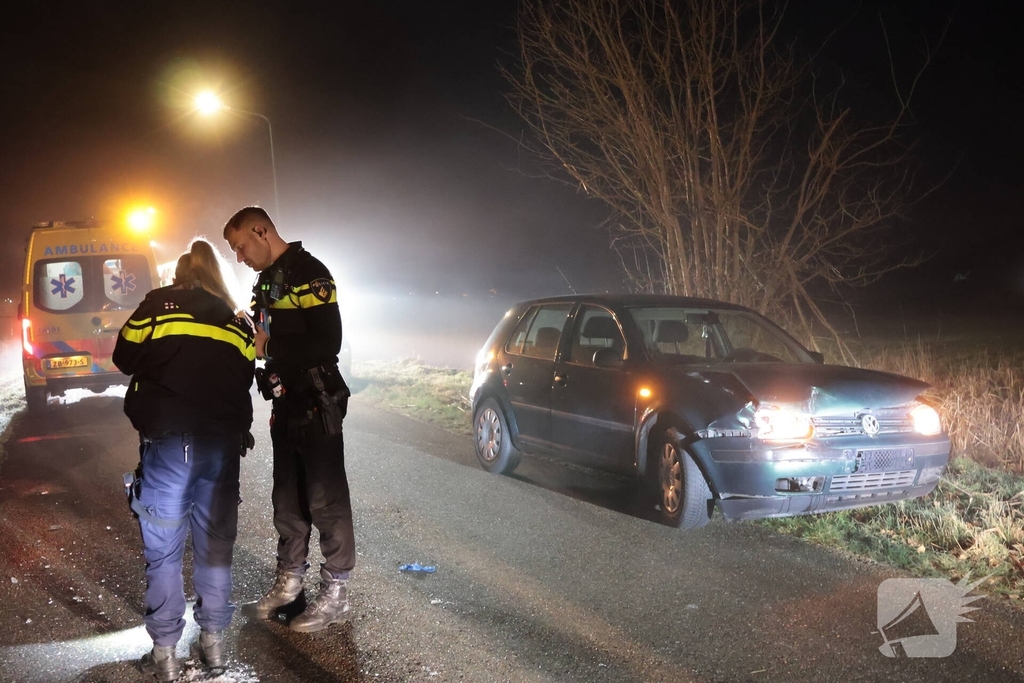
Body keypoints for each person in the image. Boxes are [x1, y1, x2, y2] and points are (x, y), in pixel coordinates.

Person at [113, 238, 255, 682]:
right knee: (215, 551)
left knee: (164, 554)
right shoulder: (238, 320)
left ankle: (166, 656)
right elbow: (244, 377)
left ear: (178, 275)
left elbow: (123, 357)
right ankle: (213, 647)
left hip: (171, 447)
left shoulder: (158, 306)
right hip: (222, 448)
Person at [222, 206, 354, 633]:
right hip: (286, 402)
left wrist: (270, 347)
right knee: (288, 499)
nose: (240, 256)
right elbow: (263, 331)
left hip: (317, 400)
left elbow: (328, 341)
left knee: (325, 499)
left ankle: (336, 591)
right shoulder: (266, 280)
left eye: (241, 246)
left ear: (261, 230)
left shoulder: (309, 272)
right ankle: (290, 583)